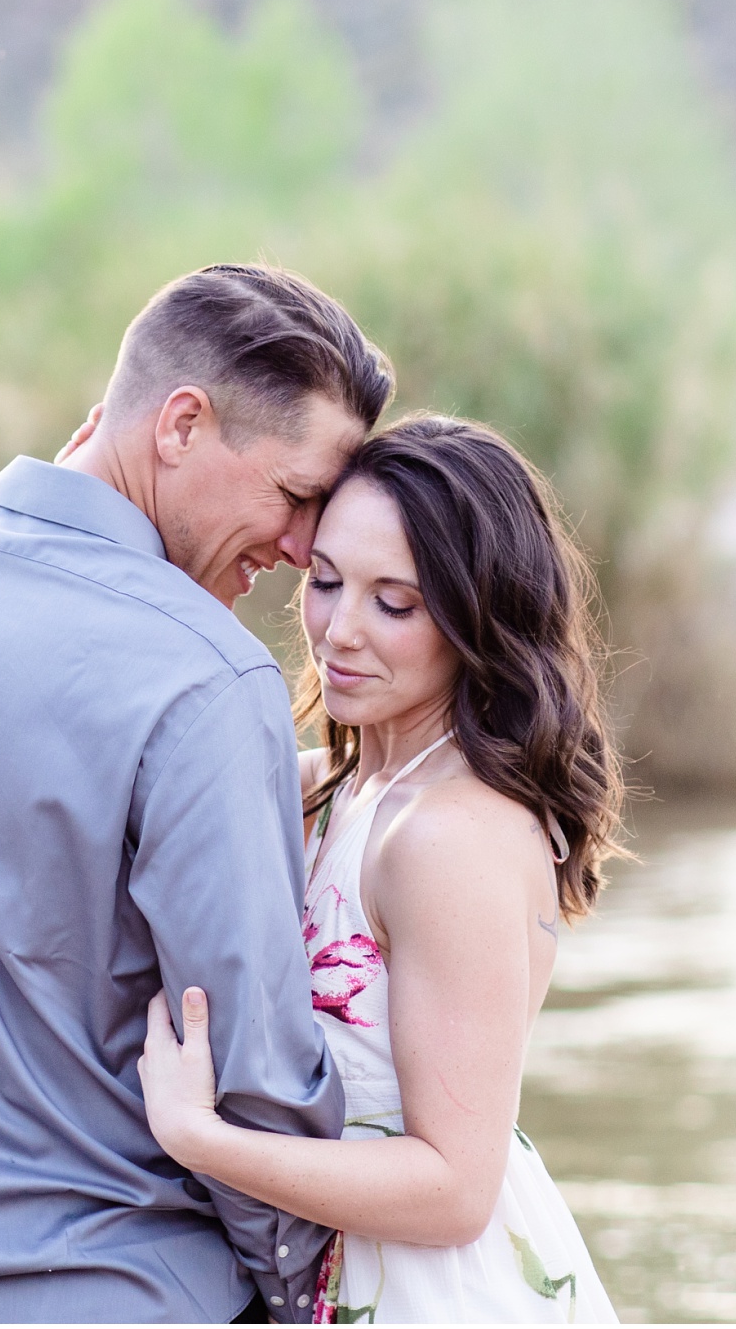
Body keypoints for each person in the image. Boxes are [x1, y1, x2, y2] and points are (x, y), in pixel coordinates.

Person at [0, 264, 393, 1323]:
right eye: (293, 496)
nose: (298, 548)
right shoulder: (207, 674)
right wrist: (295, 1293)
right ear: (181, 423)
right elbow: (252, 1068)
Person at [137, 415, 623, 1322]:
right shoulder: (333, 789)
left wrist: (198, 1137)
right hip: (338, 1266)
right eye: (324, 582)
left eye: (393, 603)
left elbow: (452, 1189)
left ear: (477, 615)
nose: (338, 632)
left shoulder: (449, 836)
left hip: (436, 1291)